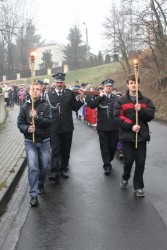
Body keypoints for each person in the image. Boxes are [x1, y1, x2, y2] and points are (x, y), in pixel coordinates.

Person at [114, 74, 155, 197]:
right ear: (127, 85)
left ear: (139, 84)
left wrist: (141, 110)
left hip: (141, 137)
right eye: (131, 82)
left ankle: (139, 187)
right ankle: (125, 176)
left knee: (140, 162)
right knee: (129, 161)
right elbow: (117, 117)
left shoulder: (146, 101)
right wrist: (131, 126)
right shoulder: (120, 101)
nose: (133, 84)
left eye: (136, 82)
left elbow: (150, 116)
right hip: (127, 137)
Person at [17, 81, 52, 207]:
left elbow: (49, 121)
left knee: (43, 167)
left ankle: (41, 183)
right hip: (30, 142)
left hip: (44, 142)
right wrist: (27, 129)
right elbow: (19, 123)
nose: (35, 91)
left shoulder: (46, 106)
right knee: (33, 168)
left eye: (37, 89)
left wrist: (37, 118)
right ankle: (33, 195)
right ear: (29, 91)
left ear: (41, 91)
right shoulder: (24, 107)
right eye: (33, 89)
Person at [47, 72, 84, 180]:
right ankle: (54, 171)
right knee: (55, 150)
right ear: (54, 83)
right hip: (54, 127)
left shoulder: (69, 93)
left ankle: (63, 169)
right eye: (58, 82)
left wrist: (81, 99)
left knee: (66, 150)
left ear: (64, 83)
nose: (59, 84)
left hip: (67, 127)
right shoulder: (49, 95)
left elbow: (75, 108)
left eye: (61, 82)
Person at [87, 78, 119, 175]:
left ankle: (109, 158)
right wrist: (100, 97)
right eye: (107, 86)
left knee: (113, 146)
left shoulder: (116, 98)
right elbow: (91, 105)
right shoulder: (99, 97)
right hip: (103, 127)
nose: (108, 88)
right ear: (103, 87)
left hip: (114, 127)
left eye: (110, 86)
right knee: (104, 146)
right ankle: (107, 165)